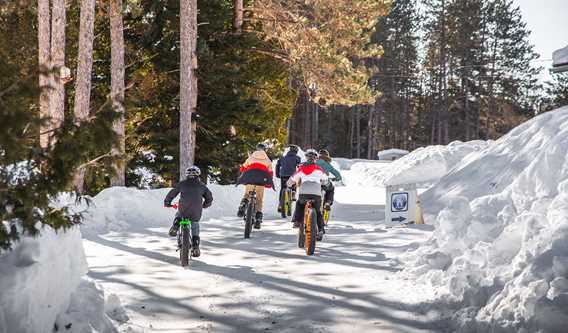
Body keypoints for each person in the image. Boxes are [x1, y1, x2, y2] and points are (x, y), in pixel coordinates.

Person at [164, 165, 213, 257]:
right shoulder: (202, 186)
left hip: (184, 208)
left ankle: (175, 225)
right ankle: (195, 246)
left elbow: (172, 193)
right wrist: (205, 205)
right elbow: (209, 197)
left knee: (179, 214)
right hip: (196, 211)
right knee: (195, 225)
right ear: (198, 175)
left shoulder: (182, 184)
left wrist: (167, 202)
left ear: (187, 174)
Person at [287, 149, 328, 241]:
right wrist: (323, 183)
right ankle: (321, 229)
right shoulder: (319, 169)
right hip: (316, 194)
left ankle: (297, 221)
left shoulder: (301, 169)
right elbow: (326, 181)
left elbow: (291, 180)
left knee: (300, 204)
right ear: (315, 160)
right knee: (318, 212)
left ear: (306, 158)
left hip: (304, 193)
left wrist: (289, 184)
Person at [236, 143, 274, 229]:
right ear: (264, 150)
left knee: (247, 194)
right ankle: (258, 219)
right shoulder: (268, 160)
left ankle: (244, 203)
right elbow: (270, 174)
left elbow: (242, 168)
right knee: (259, 199)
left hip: (250, 178)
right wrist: (268, 184)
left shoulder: (251, 157)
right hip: (261, 181)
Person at [275, 145, 301, 212]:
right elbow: (299, 166)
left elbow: (277, 165)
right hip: (292, 176)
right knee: (295, 180)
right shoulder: (297, 158)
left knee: (283, 188)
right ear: (296, 151)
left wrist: (277, 174)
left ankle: (280, 205)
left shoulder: (282, 158)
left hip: (283, 175)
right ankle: (293, 193)